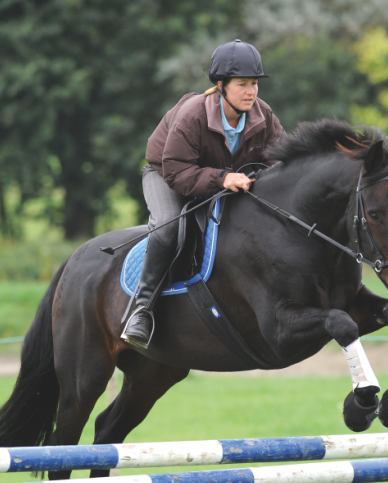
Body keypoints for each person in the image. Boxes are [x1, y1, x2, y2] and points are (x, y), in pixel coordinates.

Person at [121, 39, 285, 349]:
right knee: (169, 226)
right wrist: (223, 178)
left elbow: (280, 161)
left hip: (222, 180)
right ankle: (141, 311)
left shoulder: (263, 115)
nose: (251, 91)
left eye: (254, 84)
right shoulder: (193, 114)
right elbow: (177, 172)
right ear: (221, 85)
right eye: (243, 84)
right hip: (167, 176)